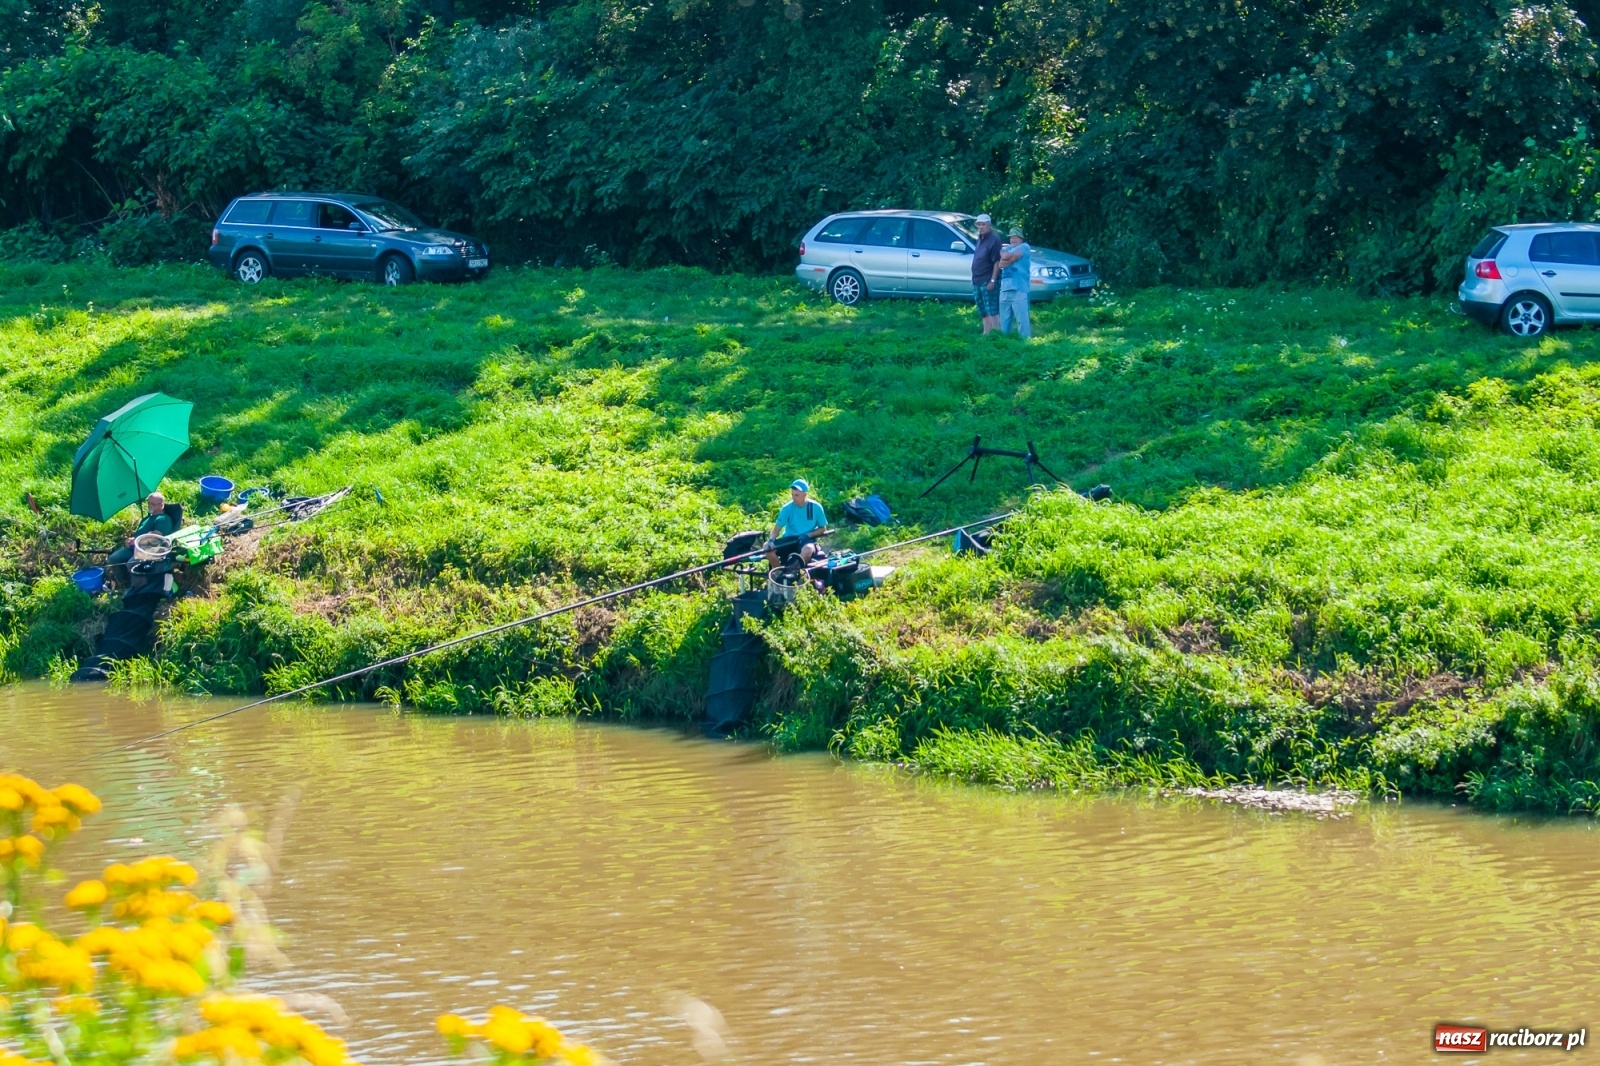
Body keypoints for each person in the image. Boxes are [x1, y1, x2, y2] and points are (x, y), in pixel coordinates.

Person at [107, 491, 177, 586]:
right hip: (135, 547)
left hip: (150, 549)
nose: (149, 506)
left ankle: (138, 588)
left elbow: (156, 538)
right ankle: (125, 584)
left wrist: (136, 541)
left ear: (161, 505)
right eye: (148, 503)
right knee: (114, 558)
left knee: (132, 563)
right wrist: (131, 540)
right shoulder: (146, 519)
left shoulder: (163, 519)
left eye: (153, 504)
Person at [766, 479, 828, 567]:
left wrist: (808, 535)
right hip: (789, 539)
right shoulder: (787, 508)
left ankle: (793, 571)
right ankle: (778, 573)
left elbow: (823, 528)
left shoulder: (816, 507)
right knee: (766, 547)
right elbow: (776, 529)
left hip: (806, 540)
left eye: (797, 495)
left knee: (808, 549)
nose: (794, 498)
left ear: (805, 494)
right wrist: (771, 540)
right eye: (792, 495)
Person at [996, 226, 1032, 339]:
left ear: (1021, 238)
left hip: (1019, 287)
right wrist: (1012, 259)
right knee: (1004, 318)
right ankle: (1004, 342)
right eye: (1011, 237)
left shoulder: (1024, 246)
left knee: (1022, 318)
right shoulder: (1009, 248)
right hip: (1005, 287)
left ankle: (1026, 342)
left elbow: (1004, 258)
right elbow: (1000, 264)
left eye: (1015, 237)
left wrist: (1006, 259)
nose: (1013, 240)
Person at [970, 214, 1003, 335]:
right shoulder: (980, 237)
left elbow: (997, 262)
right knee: (982, 309)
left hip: (988, 279)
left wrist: (993, 281)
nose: (981, 227)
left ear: (989, 225)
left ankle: (996, 334)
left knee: (992, 309)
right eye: (979, 224)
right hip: (977, 279)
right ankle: (986, 333)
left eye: (983, 224)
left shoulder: (994, 239)